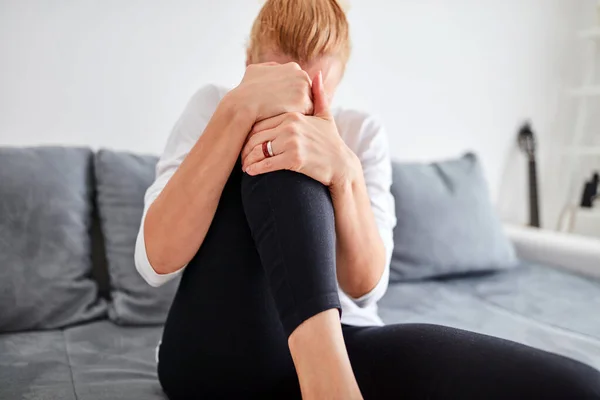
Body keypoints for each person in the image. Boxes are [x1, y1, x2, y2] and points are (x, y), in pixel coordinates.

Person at [134, 0, 600, 398]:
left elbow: (364, 287)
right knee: (280, 147)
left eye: (316, 97)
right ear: (248, 66)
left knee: (574, 388)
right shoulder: (213, 105)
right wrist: (240, 112)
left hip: (340, 343)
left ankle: (327, 380)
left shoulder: (362, 131)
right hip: (216, 348)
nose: (302, 109)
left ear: (336, 84)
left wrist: (343, 170)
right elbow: (154, 263)